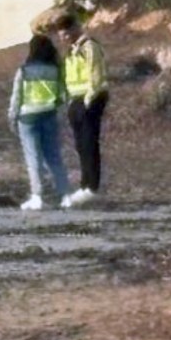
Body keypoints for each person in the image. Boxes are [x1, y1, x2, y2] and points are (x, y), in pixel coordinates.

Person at [8, 34, 72, 211]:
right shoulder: (55, 70)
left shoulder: (24, 71)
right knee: (54, 156)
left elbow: (16, 97)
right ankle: (65, 195)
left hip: (28, 118)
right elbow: (62, 95)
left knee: (33, 158)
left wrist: (12, 118)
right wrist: (57, 109)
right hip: (49, 115)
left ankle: (38, 196)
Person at [53, 13, 109, 204]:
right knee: (80, 146)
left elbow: (96, 74)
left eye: (67, 31)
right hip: (76, 100)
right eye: (62, 33)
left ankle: (91, 188)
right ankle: (85, 186)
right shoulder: (71, 50)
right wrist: (70, 101)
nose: (65, 36)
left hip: (90, 99)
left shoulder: (89, 47)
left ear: (76, 27)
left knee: (89, 143)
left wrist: (88, 99)